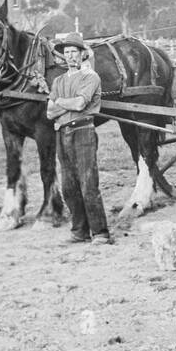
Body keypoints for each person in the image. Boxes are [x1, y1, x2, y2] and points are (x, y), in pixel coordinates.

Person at [46, 33, 112, 245]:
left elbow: (80, 104)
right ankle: (79, 231)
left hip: (83, 132)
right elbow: (49, 112)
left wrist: (60, 102)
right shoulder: (58, 81)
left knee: (88, 183)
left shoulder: (90, 77)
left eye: (74, 51)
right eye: (66, 52)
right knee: (69, 187)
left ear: (83, 54)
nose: (70, 56)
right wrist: (67, 104)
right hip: (62, 133)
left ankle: (100, 233)